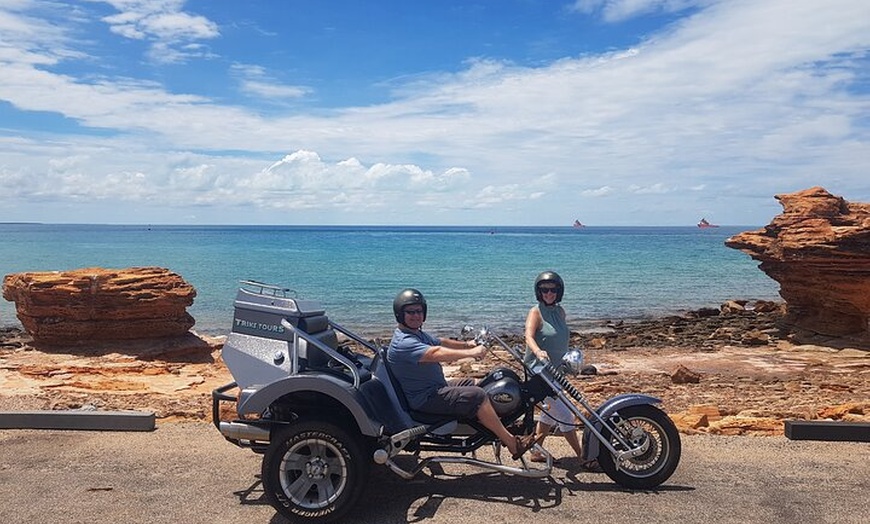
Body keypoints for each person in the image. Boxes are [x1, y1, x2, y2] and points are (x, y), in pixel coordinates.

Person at [387, 288, 537, 460]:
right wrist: (471, 353)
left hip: (435, 388)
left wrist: (468, 344)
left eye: (419, 311)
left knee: (473, 383)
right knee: (478, 396)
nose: (416, 315)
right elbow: (434, 353)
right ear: (400, 314)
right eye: (410, 312)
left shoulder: (415, 334)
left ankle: (494, 426)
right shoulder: (404, 342)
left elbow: (439, 342)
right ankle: (512, 444)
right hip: (424, 399)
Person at [524, 271, 597, 469]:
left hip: (556, 373)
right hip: (539, 374)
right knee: (565, 415)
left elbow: (560, 337)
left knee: (549, 415)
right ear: (539, 292)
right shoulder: (535, 312)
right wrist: (538, 351)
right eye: (544, 290)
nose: (549, 293)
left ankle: (536, 451)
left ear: (559, 291)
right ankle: (583, 456)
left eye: (553, 290)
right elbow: (528, 336)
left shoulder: (560, 311)